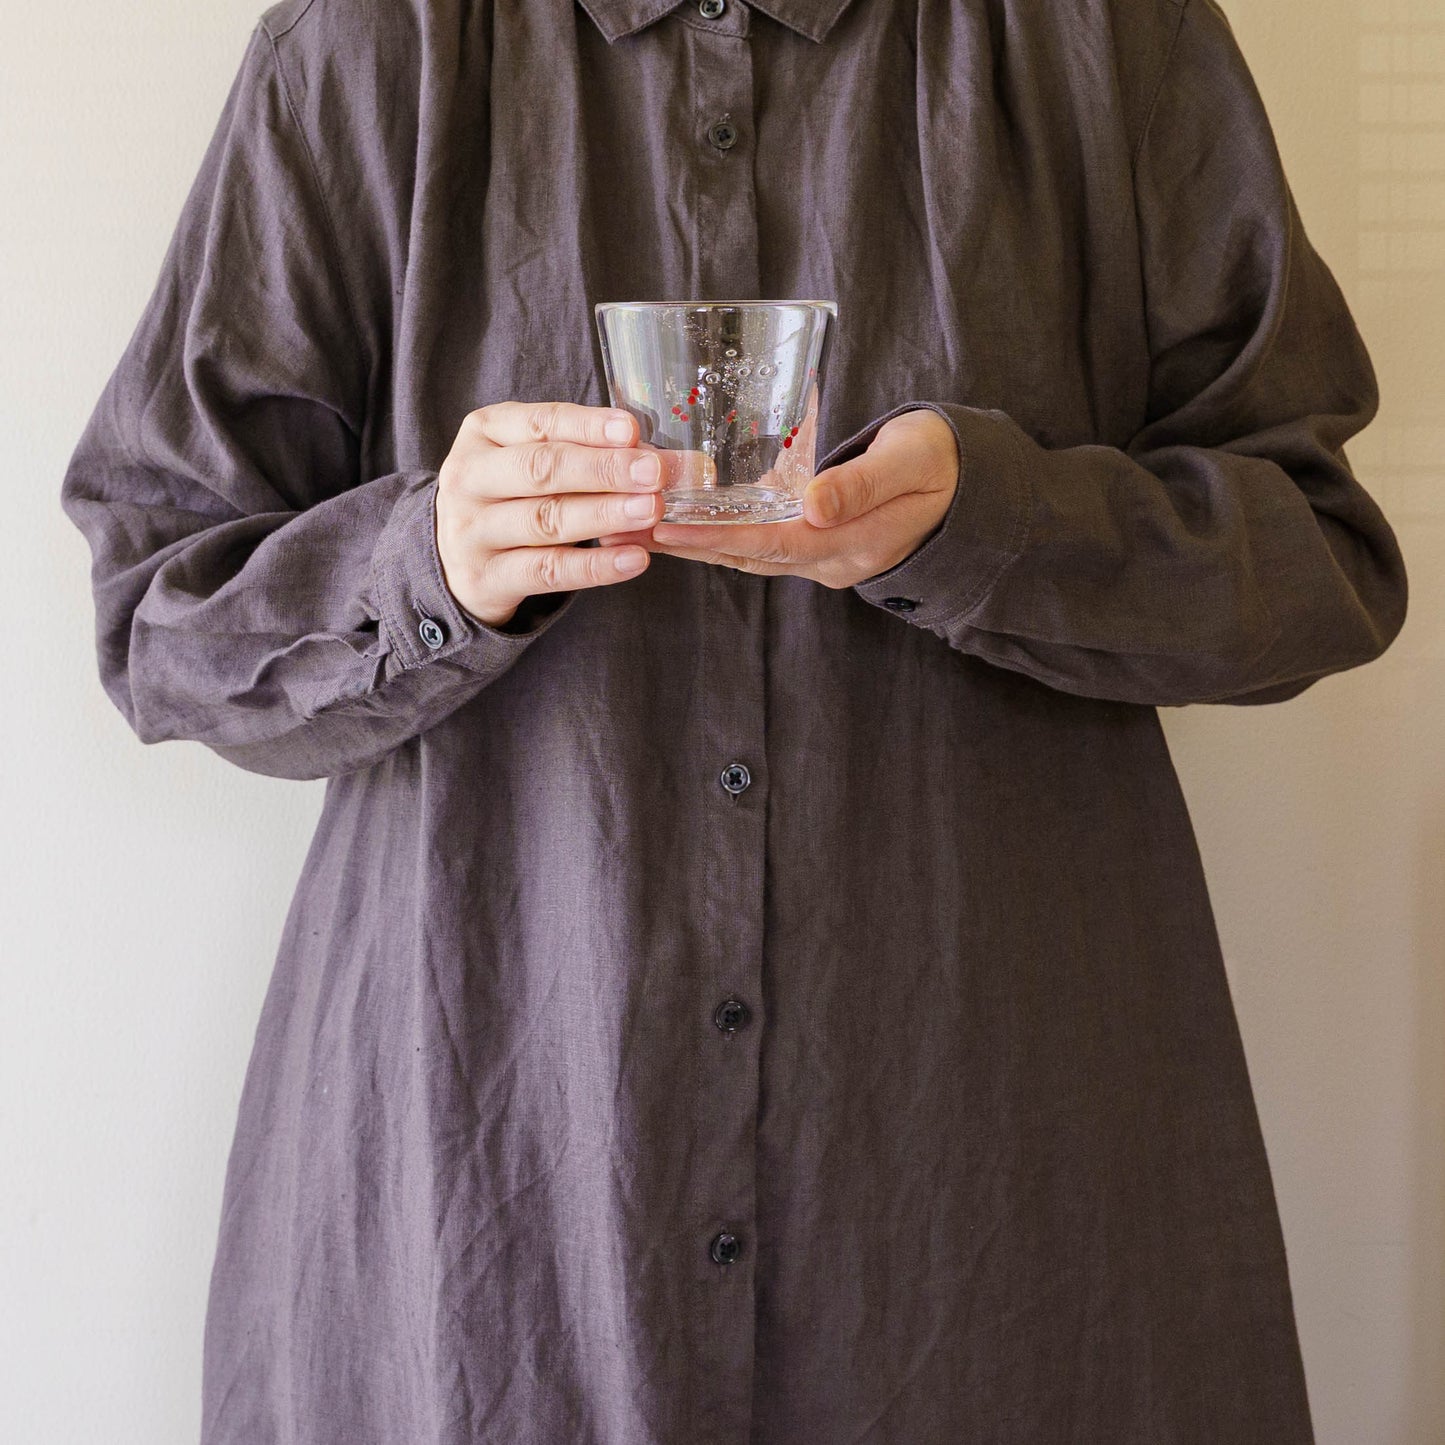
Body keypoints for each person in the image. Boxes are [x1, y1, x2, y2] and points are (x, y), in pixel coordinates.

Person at [61, 0, 1407, 1439]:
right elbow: (163, 613)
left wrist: (998, 522)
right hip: (496, 1216)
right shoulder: (371, 46)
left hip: (990, 1222)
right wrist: (429, 563)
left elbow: (1319, 556)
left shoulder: (1101, 35)